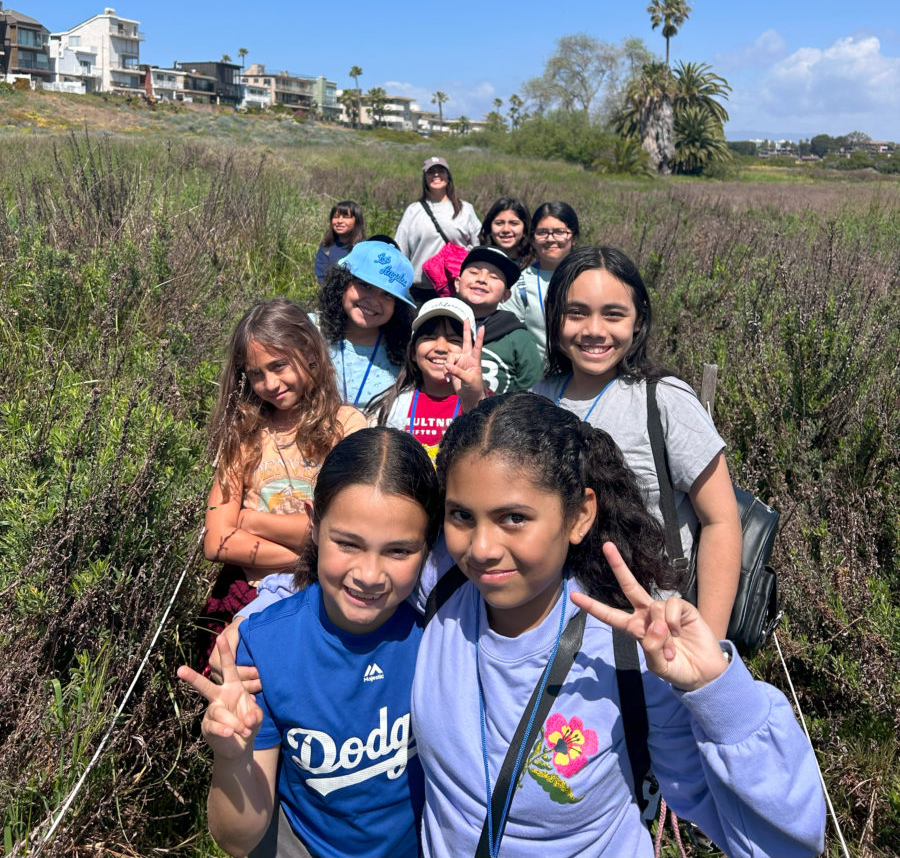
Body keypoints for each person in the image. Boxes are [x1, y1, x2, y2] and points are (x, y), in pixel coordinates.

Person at [411, 394, 825, 858]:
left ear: (580, 515)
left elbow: (783, 845)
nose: (482, 547)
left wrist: (720, 694)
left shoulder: (631, 653)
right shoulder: (437, 588)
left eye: (514, 518)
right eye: (461, 515)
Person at [179, 428, 441, 858]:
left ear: (429, 546)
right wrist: (233, 759)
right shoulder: (263, 648)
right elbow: (236, 839)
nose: (369, 574)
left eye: (398, 551)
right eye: (348, 543)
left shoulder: (439, 634)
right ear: (313, 524)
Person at [532, 246, 741, 639]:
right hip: (552, 628)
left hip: (653, 630)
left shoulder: (663, 399)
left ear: (638, 320)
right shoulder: (538, 398)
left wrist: (709, 644)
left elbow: (721, 520)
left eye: (613, 314)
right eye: (576, 313)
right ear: (554, 318)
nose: (594, 330)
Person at [201, 300, 366, 652]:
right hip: (247, 595)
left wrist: (249, 520)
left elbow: (347, 527)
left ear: (308, 352)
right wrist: (309, 556)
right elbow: (217, 542)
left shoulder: (346, 426)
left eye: (278, 366)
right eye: (256, 374)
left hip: (321, 598)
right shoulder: (243, 434)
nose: (269, 383)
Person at [370, 298, 486, 461]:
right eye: (429, 337)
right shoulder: (391, 406)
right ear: (412, 352)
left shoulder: (486, 401)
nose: (440, 348)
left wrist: (475, 400)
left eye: (454, 340)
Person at [316, 241, 416, 412]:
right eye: (365, 285)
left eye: (387, 294)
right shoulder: (311, 331)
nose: (373, 300)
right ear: (342, 283)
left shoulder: (406, 352)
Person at [453, 245, 542, 393]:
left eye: (494, 277)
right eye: (474, 272)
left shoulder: (518, 337)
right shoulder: (438, 325)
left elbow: (533, 390)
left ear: (506, 296)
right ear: (457, 283)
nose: (482, 279)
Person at [394, 157, 480, 305]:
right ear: (425, 178)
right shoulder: (413, 210)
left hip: (456, 290)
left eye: (441, 171)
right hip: (420, 291)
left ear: (448, 176)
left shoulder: (465, 209)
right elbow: (400, 250)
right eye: (431, 172)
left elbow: (478, 245)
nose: (436, 175)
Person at [508, 200, 580, 360]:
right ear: (533, 239)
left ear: (573, 238)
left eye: (560, 232)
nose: (551, 239)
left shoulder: (590, 278)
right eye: (542, 232)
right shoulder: (521, 284)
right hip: (539, 378)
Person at [314, 201, 365, 284]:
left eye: (346, 217)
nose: (339, 221)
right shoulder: (325, 250)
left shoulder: (364, 250)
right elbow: (322, 281)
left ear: (357, 221)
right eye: (336, 217)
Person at [478, 197, 535, 269]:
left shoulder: (537, 267)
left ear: (525, 229)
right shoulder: (477, 263)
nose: (506, 229)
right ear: (489, 228)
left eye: (514, 223)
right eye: (499, 223)